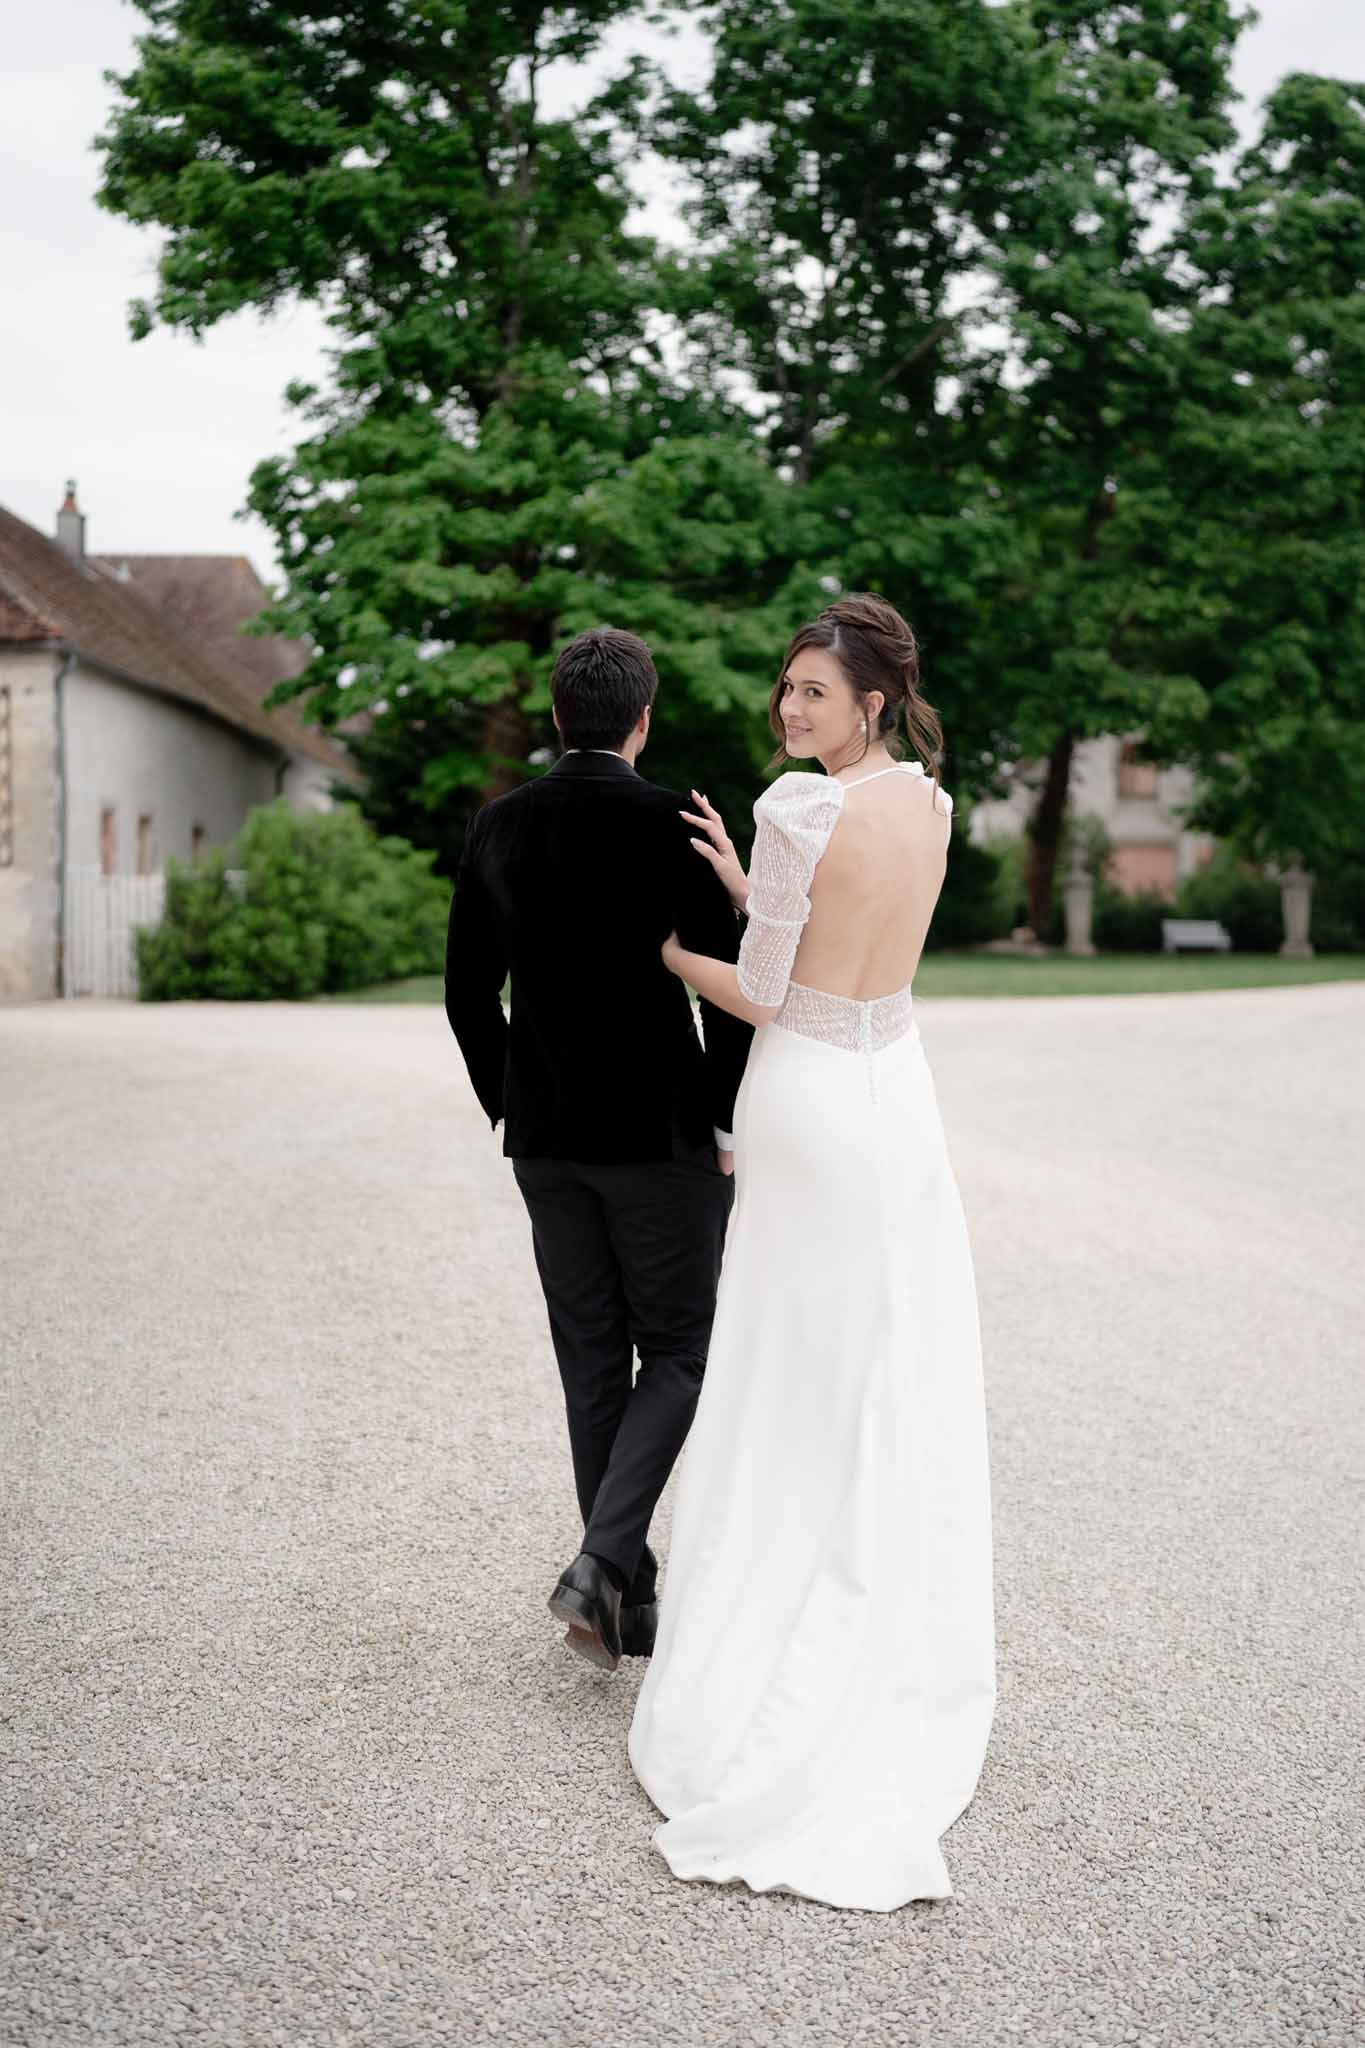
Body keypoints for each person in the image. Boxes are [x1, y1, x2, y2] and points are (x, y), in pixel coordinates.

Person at [628, 592, 996, 1913]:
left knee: (784, 1369)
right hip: (896, 1095)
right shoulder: (932, 805)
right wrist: (746, 886)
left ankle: (768, 1651)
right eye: (786, 690)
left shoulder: (797, 808)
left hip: (803, 1103)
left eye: (814, 696)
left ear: (871, 703)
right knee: (873, 1364)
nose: (790, 711)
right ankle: (878, 1607)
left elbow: (771, 989)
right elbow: (846, 935)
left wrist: (672, 947)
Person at [444, 628, 753, 1670]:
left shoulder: (500, 823)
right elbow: (728, 988)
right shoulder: (678, 822)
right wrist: (721, 1113)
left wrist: (510, 1099)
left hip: (546, 1138)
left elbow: (464, 992)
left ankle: (623, 1588)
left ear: (557, 711)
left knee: (591, 1358)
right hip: (658, 1133)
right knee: (677, 1350)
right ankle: (601, 1564)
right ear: (643, 714)